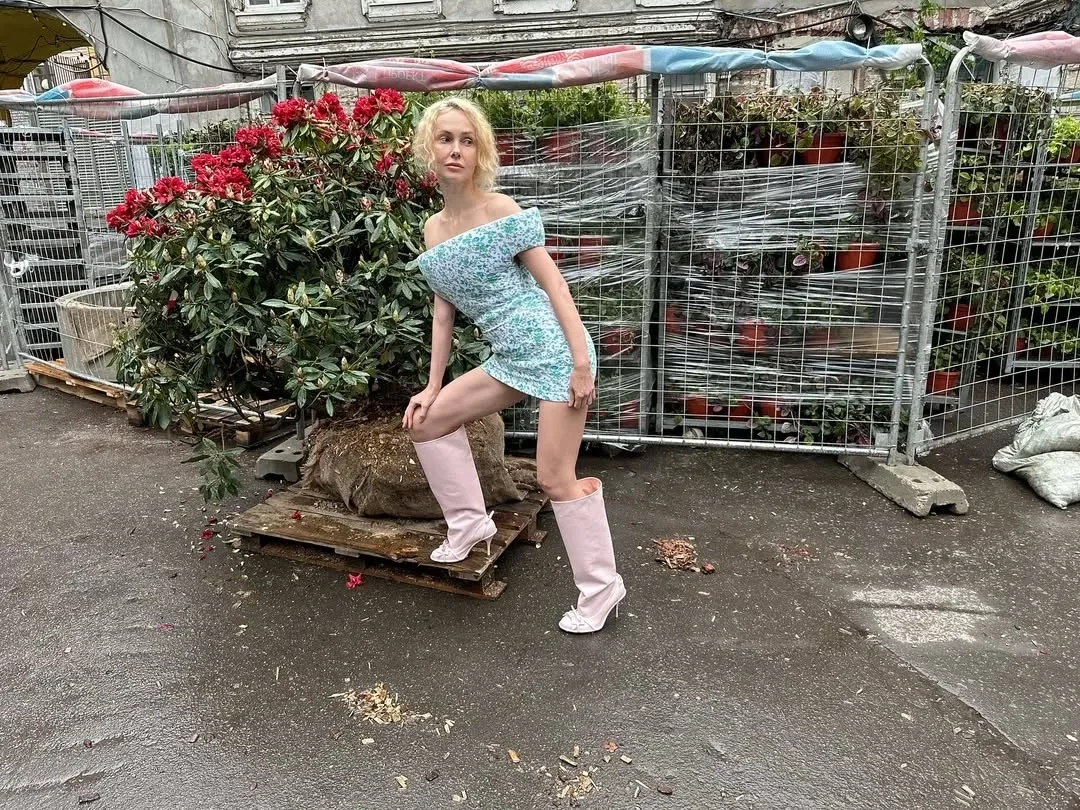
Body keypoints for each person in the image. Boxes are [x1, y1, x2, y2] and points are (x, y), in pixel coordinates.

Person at [400, 96, 626, 634]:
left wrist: (580, 364)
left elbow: (556, 286)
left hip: (555, 354)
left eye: (467, 140)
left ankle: (602, 588)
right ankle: (470, 525)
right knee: (426, 422)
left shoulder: (500, 210)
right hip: (509, 358)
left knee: (554, 477)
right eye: (445, 138)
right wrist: (432, 385)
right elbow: (443, 312)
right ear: (428, 148)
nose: (456, 150)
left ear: (480, 151)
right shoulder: (433, 228)